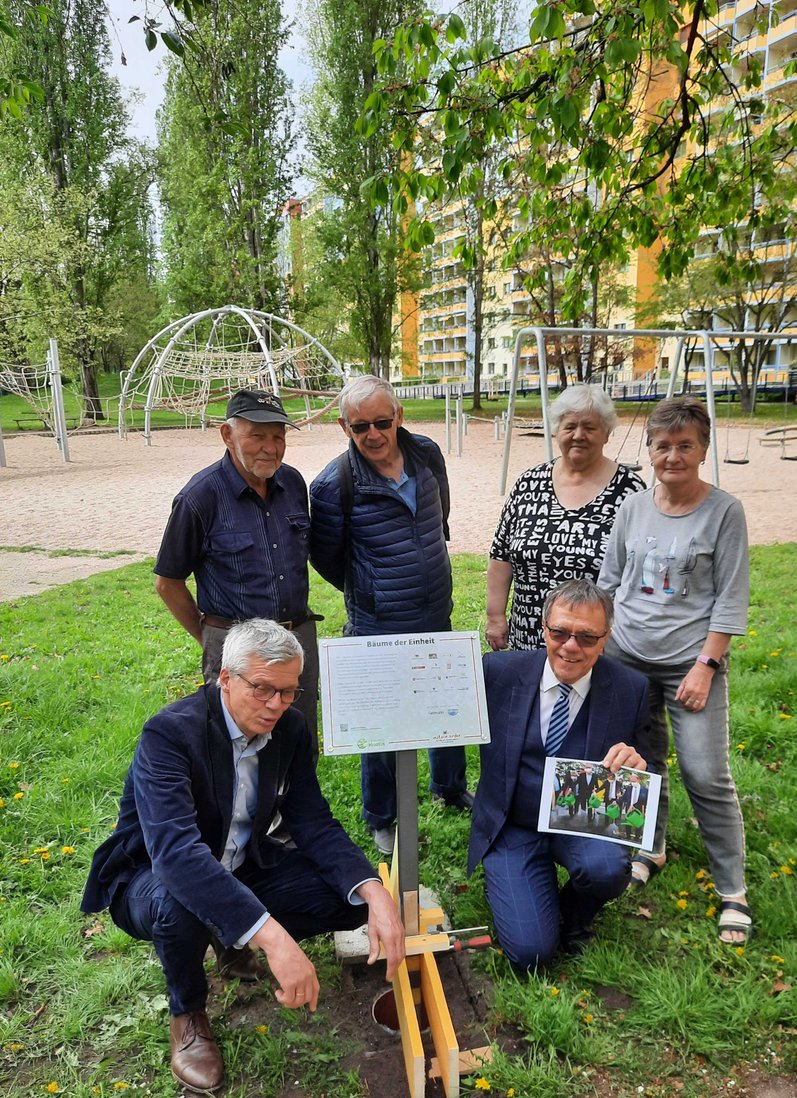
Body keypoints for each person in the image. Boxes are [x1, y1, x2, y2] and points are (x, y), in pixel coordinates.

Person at [81, 619, 405, 1094]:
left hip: (241, 862)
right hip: (149, 875)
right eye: (263, 689)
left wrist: (374, 891)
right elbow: (176, 855)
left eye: (289, 691)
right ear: (225, 679)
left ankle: (231, 934)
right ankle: (188, 1014)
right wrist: (274, 939)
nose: (276, 704)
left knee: (349, 897)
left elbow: (313, 822)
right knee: (180, 904)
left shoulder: (290, 729)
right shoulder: (170, 734)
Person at [598, 398, 752, 944]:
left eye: (685, 445)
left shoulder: (724, 512)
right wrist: (599, 644)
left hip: (691, 661)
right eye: (662, 446)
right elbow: (609, 581)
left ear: (703, 449)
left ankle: (732, 889)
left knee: (706, 774)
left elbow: (730, 599)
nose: (672, 456)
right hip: (627, 657)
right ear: (650, 451)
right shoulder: (633, 507)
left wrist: (707, 665)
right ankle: (650, 848)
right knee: (641, 763)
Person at [309, 376, 471, 855]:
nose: (374, 434)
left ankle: (449, 787)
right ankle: (382, 814)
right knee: (381, 724)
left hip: (435, 609)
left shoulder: (427, 455)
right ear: (344, 427)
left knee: (445, 704)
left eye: (382, 422)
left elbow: (440, 514)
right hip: (377, 622)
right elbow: (327, 557)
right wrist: (373, 592)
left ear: (399, 415)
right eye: (360, 427)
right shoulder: (333, 484)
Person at [469, 579, 652, 970]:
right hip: (513, 824)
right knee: (530, 954)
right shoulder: (497, 671)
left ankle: (574, 915)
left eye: (587, 637)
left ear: (606, 638)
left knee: (607, 870)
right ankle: (524, 894)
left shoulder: (630, 688)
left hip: (581, 820)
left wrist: (637, 761)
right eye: (560, 633)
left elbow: (644, 763)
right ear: (543, 628)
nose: (571, 646)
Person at [153, 388, 320, 761]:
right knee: (237, 752)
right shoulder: (199, 497)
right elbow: (167, 582)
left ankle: (295, 801)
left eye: (278, 437)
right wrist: (212, 638)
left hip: (296, 641)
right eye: (257, 436)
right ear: (227, 435)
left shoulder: (293, 484)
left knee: (299, 746)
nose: (270, 448)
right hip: (237, 647)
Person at [486, 383, 644, 652]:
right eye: (570, 426)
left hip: (591, 644)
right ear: (556, 430)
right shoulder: (529, 483)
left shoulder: (630, 491)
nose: (578, 435)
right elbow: (501, 557)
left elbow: (639, 572)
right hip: (529, 638)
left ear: (606, 433)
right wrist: (495, 616)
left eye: (590, 427)